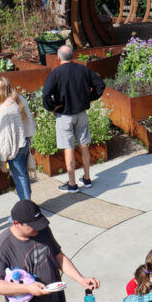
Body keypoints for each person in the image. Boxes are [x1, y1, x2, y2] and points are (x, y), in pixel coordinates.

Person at [42, 45, 106, 192]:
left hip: (64, 116)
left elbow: (45, 94)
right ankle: (87, 178)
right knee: (84, 145)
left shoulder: (56, 73)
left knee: (68, 147)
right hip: (81, 114)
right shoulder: (83, 69)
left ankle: (72, 184)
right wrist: (89, 98)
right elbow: (100, 85)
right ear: (73, 56)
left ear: (58, 58)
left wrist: (52, 107)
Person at [0, 77, 36, 202]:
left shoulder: (4, 108)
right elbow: (30, 122)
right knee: (24, 176)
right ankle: (28, 205)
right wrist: (30, 141)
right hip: (25, 143)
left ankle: (27, 208)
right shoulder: (20, 99)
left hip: (14, 148)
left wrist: (3, 159)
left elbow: (4, 137)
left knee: (20, 177)